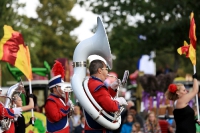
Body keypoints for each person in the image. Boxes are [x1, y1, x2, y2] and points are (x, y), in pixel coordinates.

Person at [84, 59, 127, 133]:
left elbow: (102, 99)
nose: (107, 72)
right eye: (106, 69)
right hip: (99, 129)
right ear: (100, 70)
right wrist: (119, 102)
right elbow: (110, 106)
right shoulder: (98, 85)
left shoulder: (91, 82)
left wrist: (112, 89)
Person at [45, 61, 72, 133]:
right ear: (54, 88)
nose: (63, 88)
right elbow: (55, 117)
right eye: (60, 86)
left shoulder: (60, 99)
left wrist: (70, 110)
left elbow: (65, 116)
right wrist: (66, 108)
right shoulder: (50, 101)